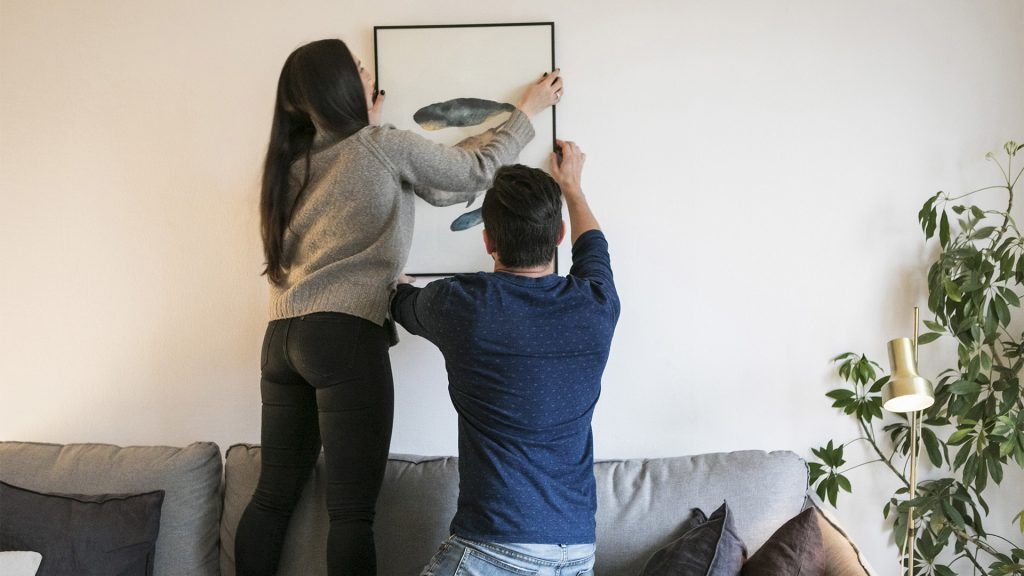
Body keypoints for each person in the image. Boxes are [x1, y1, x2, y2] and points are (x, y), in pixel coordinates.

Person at [235, 38, 563, 576]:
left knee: (272, 497)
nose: (369, 75)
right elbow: (475, 170)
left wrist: (368, 126)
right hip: (343, 339)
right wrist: (526, 112)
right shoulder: (380, 145)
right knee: (351, 515)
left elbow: (415, 191)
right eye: (360, 69)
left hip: (281, 340)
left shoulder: (290, 165)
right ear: (340, 86)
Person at [391, 140, 619, 576]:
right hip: (575, 554)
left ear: (488, 240)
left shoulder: (461, 305)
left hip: (494, 552)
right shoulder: (596, 305)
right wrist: (572, 186)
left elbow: (400, 304)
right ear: (558, 237)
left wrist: (399, 285)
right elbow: (594, 247)